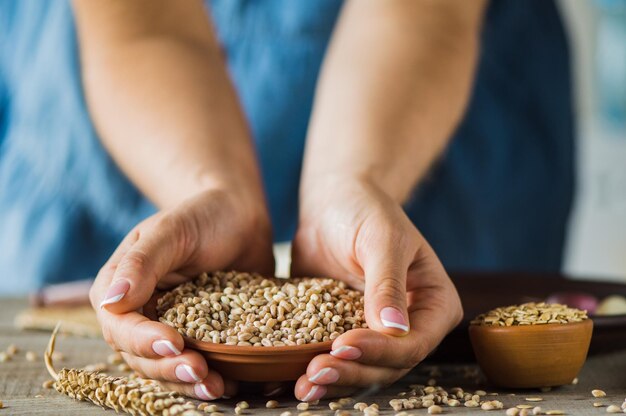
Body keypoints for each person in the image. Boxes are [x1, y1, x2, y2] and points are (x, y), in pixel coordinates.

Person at [0, 0, 574, 401]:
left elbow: (420, 10)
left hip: (425, 91)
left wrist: (353, 182)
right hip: (142, 106)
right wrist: (211, 191)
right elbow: (145, 25)